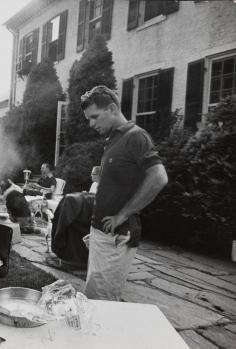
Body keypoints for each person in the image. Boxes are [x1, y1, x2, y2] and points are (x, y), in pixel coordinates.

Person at [81, 85, 168, 300]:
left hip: (117, 235)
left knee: (102, 302)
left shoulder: (136, 136)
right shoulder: (113, 139)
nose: (91, 124)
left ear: (112, 108)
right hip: (103, 234)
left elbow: (159, 177)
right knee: (94, 296)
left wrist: (123, 215)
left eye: (94, 117)